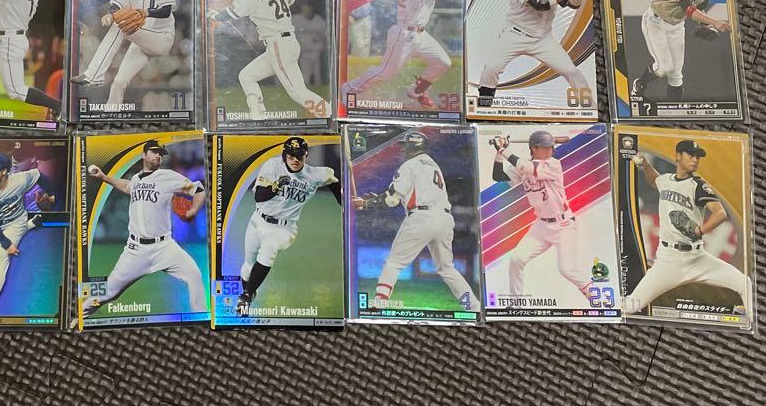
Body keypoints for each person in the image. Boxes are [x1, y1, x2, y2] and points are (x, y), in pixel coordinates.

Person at [352, 131, 479, 310]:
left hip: (421, 217)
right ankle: (473, 306)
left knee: (394, 263)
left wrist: (366, 203)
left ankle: (379, 303)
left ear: (413, 147)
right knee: (447, 269)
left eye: (405, 146)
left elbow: (392, 199)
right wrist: (376, 198)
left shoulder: (409, 165)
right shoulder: (433, 165)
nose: (402, 150)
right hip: (444, 219)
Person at [625, 139, 751, 316]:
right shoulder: (666, 180)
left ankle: (751, 320)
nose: (695, 159)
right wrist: (645, 165)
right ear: (677, 156)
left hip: (697, 258)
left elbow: (720, 213)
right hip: (668, 260)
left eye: (697, 157)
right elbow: (655, 181)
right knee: (631, 306)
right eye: (690, 155)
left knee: (745, 283)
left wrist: (700, 231)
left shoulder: (698, 186)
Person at [82, 139, 206, 318]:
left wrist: (193, 210)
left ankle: (201, 319)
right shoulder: (136, 178)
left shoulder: (168, 176)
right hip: (136, 250)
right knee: (108, 292)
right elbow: (128, 186)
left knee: (194, 274)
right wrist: (103, 177)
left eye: (161, 154)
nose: (158, 156)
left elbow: (199, 190)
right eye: (154, 152)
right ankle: (78, 316)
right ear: (144, 155)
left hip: (165, 247)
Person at [208, 0, 330, 120]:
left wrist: (213, 16)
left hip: (278, 45)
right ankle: (258, 117)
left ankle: (329, 114)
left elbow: (229, 14)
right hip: (285, 44)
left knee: (297, 92)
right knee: (247, 76)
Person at [235, 136, 341, 317]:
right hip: (257, 220)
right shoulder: (272, 166)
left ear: (306, 155)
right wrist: (276, 186)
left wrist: (346, 203)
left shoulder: (315, 174)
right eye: (291, 156)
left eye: (299, 156)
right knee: (248, 266)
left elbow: (333, 181)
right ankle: (249, 292)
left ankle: (245, 297)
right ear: (284, 156)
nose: (295, 160)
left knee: (269, 249)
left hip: (284, 228)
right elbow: (259, 196)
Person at [476, 0, 591, 109]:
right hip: (514, 35)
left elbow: (572, 5)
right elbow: (539, 4)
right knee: (491, 68)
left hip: (543, 39)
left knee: (571, 71)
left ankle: (589, 107)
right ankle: (484, 107)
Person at [490, 130, 591, 304]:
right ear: (533, 148)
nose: (549, 150)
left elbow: (526, 168)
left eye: (550, 146)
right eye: (544, 147)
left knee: (567, 270)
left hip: (563, 224)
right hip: (541, 226)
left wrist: (504, 150)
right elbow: (498, 176)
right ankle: (515, 304)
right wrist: (499, 153)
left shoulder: (553, 164)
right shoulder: (521, 166)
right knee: (516, 260)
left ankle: (599, 298)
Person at [342, 0, 457, 109]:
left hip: (420, 33)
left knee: (442, 62)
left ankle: (416, 92)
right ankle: (348, 89)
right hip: (404, 34)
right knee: (385, 72)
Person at [71, 0, 176, 107]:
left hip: (161, 37)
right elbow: (116, 6)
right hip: (139, 41)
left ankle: (93, 75)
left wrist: (144, 12)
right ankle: (111, 113)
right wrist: (111, 15)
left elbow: (166, 11)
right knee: (119, 82)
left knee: (121, 26)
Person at [631, 0, 730, 103]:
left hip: (676, 26)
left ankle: (675, 107)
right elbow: (689, 10)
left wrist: (707, 26)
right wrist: (716, 22)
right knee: (664, 67)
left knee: (676, 74)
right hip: (655, 22)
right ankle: (639, 84)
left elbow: (700, 12)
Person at [0, 152, 57, 315]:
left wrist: (51, 196)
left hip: (16, 222)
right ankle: (31, 225)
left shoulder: (20, 180)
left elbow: (39, 176)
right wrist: (7, 243)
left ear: (5, 171)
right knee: (3, 251)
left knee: (0, 259)